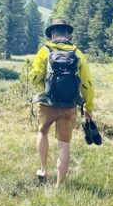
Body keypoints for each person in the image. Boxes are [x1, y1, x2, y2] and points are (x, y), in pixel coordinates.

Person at [29, 18, 96, 187]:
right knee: (64, 144)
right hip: (69, 106)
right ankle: (59, 186)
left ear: (52, 34)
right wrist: (88, 107)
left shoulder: (44, 51)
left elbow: (34, 77)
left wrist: (45, 85)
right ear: (67, 34)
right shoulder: (78, 53)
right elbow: (87, 83)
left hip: (48, 104)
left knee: (42, 133)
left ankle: (44, 170)